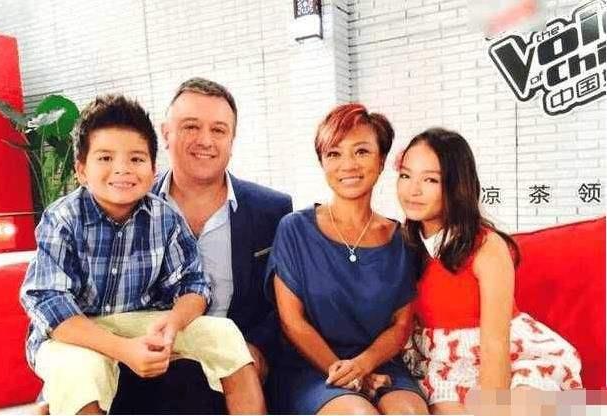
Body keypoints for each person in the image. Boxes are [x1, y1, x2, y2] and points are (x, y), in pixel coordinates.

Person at [20, 94, 264, 415]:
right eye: (105, 158)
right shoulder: (63, 218)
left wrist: (173, 323)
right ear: (81, 169)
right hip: (74, 330)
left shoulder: (165, 217)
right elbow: (49, 304)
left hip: (140, 321)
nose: (122, 170)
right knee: (80, 372)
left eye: (136, 159)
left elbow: (194, 285)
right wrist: (123, 349)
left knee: (224, 334)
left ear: (152, 168)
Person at [111, 78, 293, 413]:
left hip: (233, 373)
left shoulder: (272, 210)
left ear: (232, 139)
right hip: (142, 370)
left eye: (218, 130)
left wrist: (259, 352)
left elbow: (282, 307)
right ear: (166, 133)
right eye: (191, 126)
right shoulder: (125, 203)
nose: (205, 140)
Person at [395, 127, 583, 414]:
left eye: (430, 179)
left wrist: (493, 408)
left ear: (457, 185)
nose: (413, 190)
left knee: (519, 407)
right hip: (445, 364)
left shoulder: (486, 246)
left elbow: (495, 343)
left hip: (508, 356)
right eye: (406, 175)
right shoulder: (402, 245)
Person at [265, 103, 428, 415]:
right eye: (334, 154)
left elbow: (401, 325)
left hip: (380, 363)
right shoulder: (295, 229)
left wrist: (364, 365)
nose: (348, 165)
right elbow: (292, 322)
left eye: (361, 151)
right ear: (322, 163)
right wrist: (350, 375)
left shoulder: (402, 239)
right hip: (313, 368)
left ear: (381, 160)